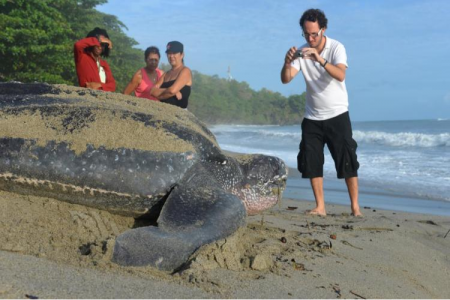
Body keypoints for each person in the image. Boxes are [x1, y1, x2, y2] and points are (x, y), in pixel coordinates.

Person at [281, 8, 361, 217]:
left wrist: (320, 60)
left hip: (337, 114)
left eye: (314, 33)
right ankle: (320, 207)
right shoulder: (302, 51)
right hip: (312, 117)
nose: (310, 38)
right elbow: (286, 78)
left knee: (347, 161)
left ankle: (355, 208)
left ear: (323, 29)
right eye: (306, 34)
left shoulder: (336, 48)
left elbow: (341, 75)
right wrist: (287, 62)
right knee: (311, 161)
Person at [150, 41, 192, 109]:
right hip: (162, 111)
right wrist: (168, 90)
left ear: (182, 55)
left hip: (179, 114)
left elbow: (172, 91)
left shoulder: (185, 71)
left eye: (174, 53)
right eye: (169, 53)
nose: (171, 56)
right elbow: (152, 91)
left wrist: (160, 95)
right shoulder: (166, 74)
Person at [74, 27, 116, 91]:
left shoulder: (104, 64)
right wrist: (97, 40)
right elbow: (78, 45)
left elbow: (112, 85)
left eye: (102, 45)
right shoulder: (82, 57)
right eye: (98, 44)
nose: (100, 47)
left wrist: (99, 85)